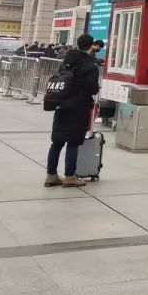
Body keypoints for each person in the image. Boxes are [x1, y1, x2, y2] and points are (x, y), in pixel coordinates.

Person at [45, 34, 101, 188]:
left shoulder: (66, 62)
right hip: (79, 106)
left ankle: (51, 175)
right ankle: (70, 176)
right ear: (91, 46)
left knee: (57, 141)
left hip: (61, 104)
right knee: (73, 142)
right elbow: (93, 88)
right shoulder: (90, 66)